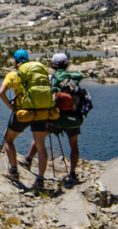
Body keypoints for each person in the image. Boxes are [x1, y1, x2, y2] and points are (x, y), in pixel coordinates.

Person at [26, 52, 85, 184]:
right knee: (74, 145)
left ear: (53, 65)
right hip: (73, 118)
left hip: (55, 116)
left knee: (39, 139)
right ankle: (73, 173)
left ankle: (28, 160)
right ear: (67, 64)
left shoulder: (52, 78)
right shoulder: (74, 78)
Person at [0, 49, 51, 189]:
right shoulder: (37, 74)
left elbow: (1, 92)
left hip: (23, 113)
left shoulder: (13, 75)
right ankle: (40, 179)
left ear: (15, 62)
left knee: (8, 139)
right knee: (41, 145)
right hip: (41, 111)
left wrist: (10, 106)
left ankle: (14, 171)